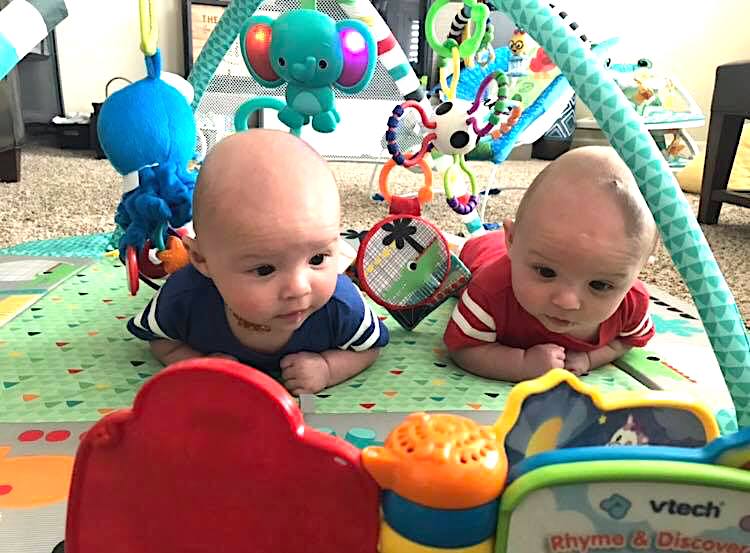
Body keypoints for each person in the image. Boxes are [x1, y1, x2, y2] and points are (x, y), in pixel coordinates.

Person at [128, 129, 389, 395]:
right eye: (265, 269)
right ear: (200, 259)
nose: (299, 288)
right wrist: (197, 364)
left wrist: (327, 368)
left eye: (317, 258)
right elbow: (159, 339)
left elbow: (370, 347)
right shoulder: (184, 298)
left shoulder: (341, 306)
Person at [443, 146, 658, 381]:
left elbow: (626, 341)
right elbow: (462, 348)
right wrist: (523, 365)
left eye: (600, 285)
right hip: (482, 251)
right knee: (449, 259)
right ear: (512, 240)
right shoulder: (488, 292)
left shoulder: (631, 304)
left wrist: (590, 358)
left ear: (639, 270)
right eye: (546, 272)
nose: (567, 302)